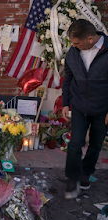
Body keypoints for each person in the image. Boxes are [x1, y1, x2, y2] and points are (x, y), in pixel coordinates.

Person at [62, 19, 108, 199]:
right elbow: (68, 79)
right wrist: (66, 103)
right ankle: (72, 179)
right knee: (75, 143)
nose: (73, 46)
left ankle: (85, 174)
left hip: (102, 109)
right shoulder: (73, 53)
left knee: (96, 144)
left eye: (76, 43)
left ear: (90, 39)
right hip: (80, 106)